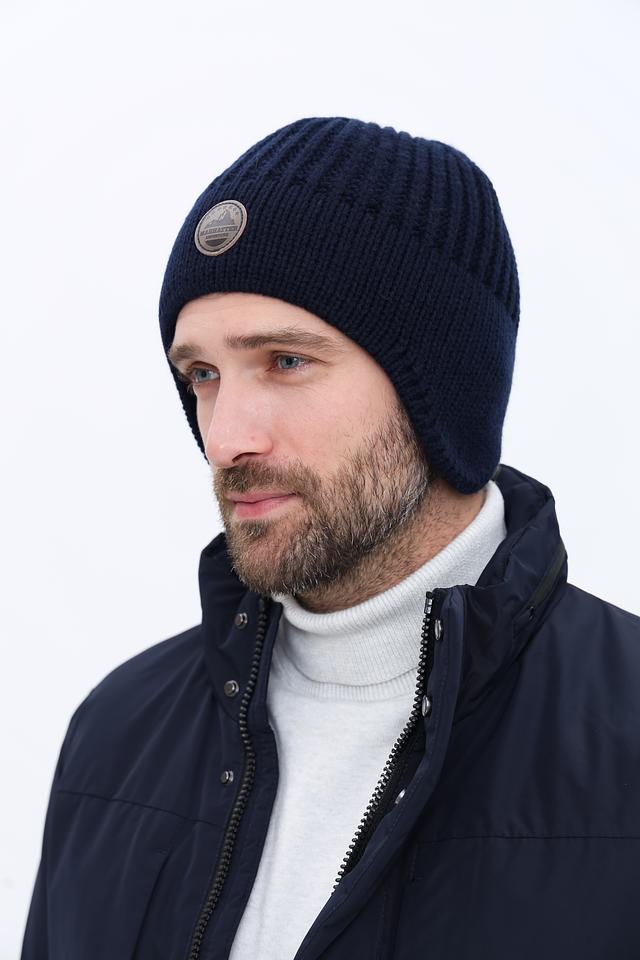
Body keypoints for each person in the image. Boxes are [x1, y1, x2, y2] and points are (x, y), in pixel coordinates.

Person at [21, 116, 640, 960]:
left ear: (445, 389)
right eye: (201, 374)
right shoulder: (117, 734)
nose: (224, 437)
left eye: (285, 361)